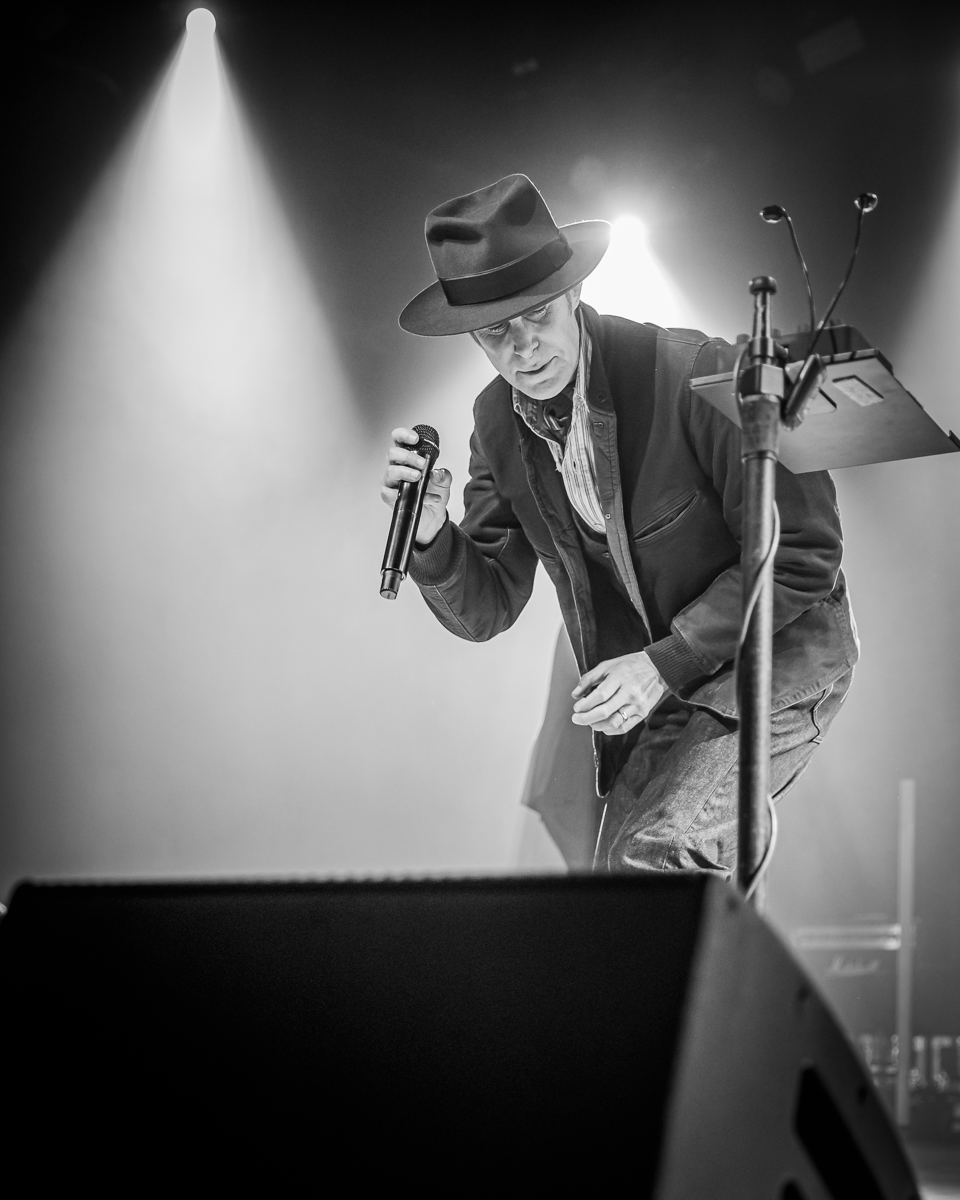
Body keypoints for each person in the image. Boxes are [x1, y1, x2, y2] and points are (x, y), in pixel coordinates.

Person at [380, 173, 858, 876]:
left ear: (574, 293)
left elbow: (805, 556)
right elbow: (487, 608)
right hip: (667, 693)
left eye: (537, 316)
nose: (522, 349)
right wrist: (429, 534)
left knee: (657, 858)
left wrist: (661, 662)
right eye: (494, 332)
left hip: (776, 658)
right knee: (608, 902)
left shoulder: (693, 372)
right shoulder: (496, 426)